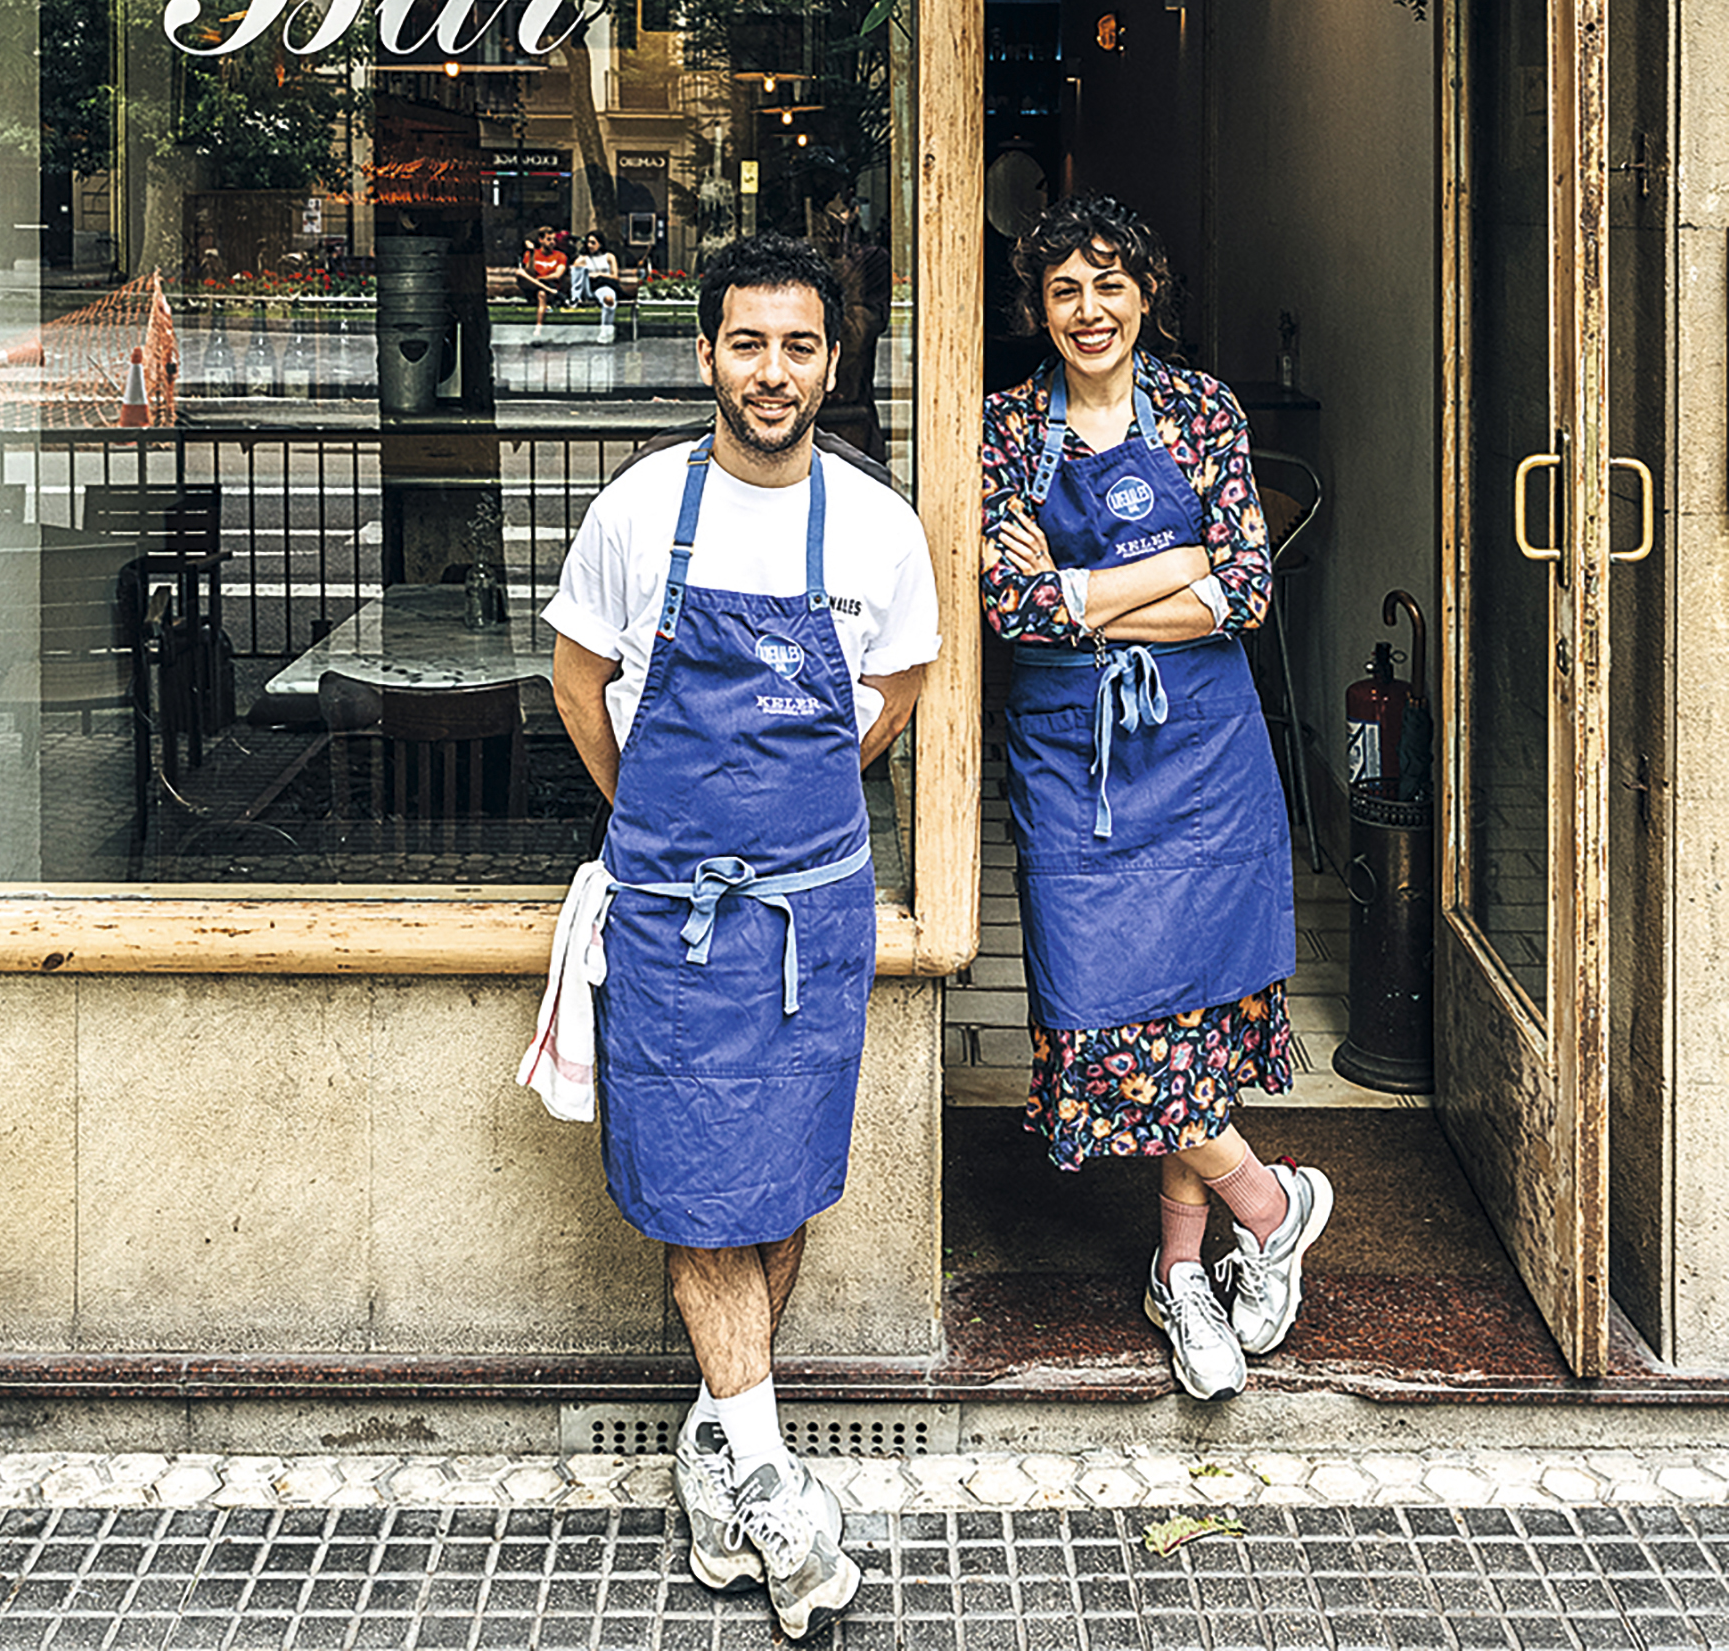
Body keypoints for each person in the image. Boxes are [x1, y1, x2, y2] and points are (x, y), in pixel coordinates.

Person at [547, 233, 939, 1634]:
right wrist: (659, 819)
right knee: (704, 1182)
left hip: (810, 914)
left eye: (800, 346)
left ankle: (719, 1444)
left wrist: (789, 823)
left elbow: (889, 689)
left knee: (775, 1182)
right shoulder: (644, 509)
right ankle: (772, 1481)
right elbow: (580, 675)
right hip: (674, 915)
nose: (772, 372)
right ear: (705, 352)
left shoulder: (881, 527)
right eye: (748, 343)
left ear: (834, 363)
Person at [980, 192, 1332, 1403]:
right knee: (1097, 1012)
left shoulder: (1198, 411)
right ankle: (1268, 1201)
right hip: (1069, 756)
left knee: (1193, 1004)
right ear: (1038, 305)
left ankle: (1179, 1273)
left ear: (1146, 296)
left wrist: (1080, 589)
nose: (1089, 309)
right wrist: (1160, 568)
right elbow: (1005, 607)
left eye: (1110, 283)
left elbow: (1241, 589)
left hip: (1203, 752)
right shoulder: (1003, 429)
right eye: (1064, 288)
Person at [518, 223, 569, 333]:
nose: (552, 242)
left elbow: (557, 275)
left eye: (554, 240)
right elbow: (529, 273)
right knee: (520, 273)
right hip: (532, 289)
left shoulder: (560, 256)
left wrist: (540, 279)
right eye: (549, 239)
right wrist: (531, 253)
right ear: (540, 240)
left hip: (550, 288)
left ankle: (539, 327)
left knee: (542, 293)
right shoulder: (531, 254)